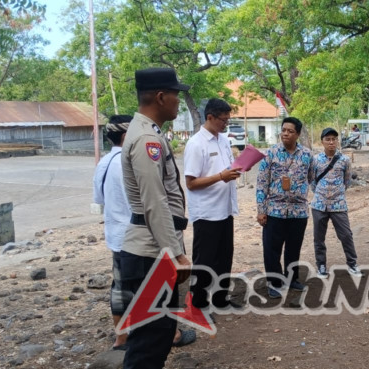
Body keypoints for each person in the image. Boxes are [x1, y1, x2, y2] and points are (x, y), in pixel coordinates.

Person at [119, 67, 196, 369]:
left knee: (161, 333)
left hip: (154, 252)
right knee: (149, 340)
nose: (179, 101)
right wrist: (175, 254)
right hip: (149, 255)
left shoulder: (149, 133)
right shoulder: (145, 140)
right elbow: (154, 203)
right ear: (161, 96)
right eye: (176, 94)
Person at [183, 98, 242, 311]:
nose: (226, 124)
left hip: (225, 209)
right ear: (210, 117)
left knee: (224, 258)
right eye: (223, 120)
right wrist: (220, 176)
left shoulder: (223, 140)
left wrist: (238, 167)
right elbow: (191, 183)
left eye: (228, 119)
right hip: (206, 213)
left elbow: (226, 168)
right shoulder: (196, 144)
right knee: (204, 261)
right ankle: (198, 303)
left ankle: (220, 299)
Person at [256, 117, 314, 298]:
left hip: (298, 211)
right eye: (283, 130)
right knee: (271, 249)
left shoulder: (307, 155)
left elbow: (311, 177)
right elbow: (262, 183)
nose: (285, 134)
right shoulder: (270, 154)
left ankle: (292, 279)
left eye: (290, 131)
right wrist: (261, 209)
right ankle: (274, 282)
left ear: (297, 134)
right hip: (274, 210)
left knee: (293, 248)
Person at [92, 115, 133, 351]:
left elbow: (99, 199)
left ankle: (121, 338)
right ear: (126, 136)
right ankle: (173, 334)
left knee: (119, 288)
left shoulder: (104, 163)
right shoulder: (128, 164)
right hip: (135, 237)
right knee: (152, 286)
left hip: (115, 237)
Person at [311, 127, 360, 278]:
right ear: (322, 142)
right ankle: (321, 266)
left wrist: (336, 193)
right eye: (328, 139)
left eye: (334, 139)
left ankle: (352, 264)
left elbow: (347, 181)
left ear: (337, 141)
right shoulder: (315, 160)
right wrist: (321, 193)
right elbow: (312, 181)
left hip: (338, 204)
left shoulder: (344, 160)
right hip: (319, 204)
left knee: (346, 235)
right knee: (319, 237)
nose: (331, 142)